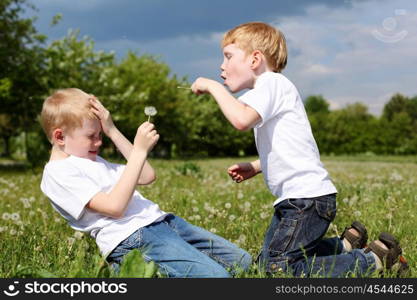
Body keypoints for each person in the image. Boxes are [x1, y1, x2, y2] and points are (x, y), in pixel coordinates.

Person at [190, 22, 407, 277]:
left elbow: (240, 120)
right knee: (267, 262)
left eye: (228, 57)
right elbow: (290, 148)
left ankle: (375, 260)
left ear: (255, 59)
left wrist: (213, 86)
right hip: (300, 201)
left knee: (277, 268)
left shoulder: (270, 84)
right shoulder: (272, 89)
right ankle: (345, 245)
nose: (222, 66)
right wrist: (257, 166)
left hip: (305, 201)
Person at [39, 88, 251, 278]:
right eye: (91, 136)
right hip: (132, 238)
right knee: (217, 278)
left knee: (244, 263)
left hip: (165, 223)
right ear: (60, 137)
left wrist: (112, 129)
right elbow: (114, 208)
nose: (99, 141)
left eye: (100, 134)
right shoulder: (58, 174)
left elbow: (146, 175)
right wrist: (140, 150)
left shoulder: (91, 159)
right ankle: (130, 268)